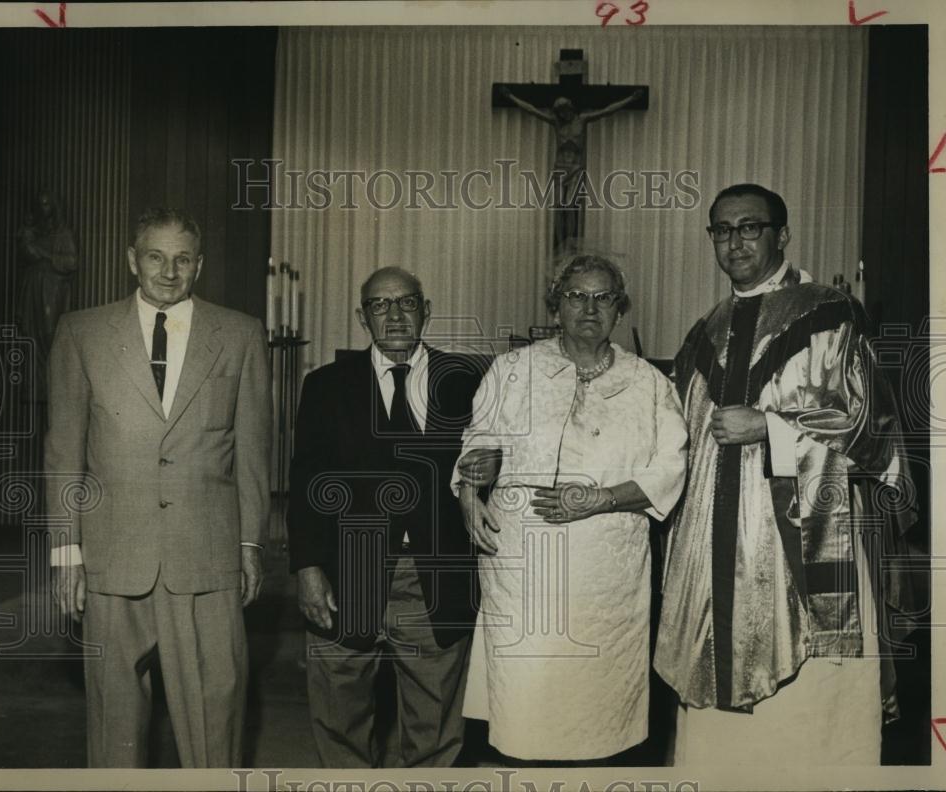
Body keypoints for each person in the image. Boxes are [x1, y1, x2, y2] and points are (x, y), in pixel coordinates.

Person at [653, 184, 920, 764]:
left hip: (804, 537)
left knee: (810, 730)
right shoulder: (706, 331)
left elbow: (871, 430)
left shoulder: (830, 313)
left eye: (749, 227)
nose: (734, 242)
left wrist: (772, 427)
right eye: (721, 230)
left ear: (782, 235)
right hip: (715, 554)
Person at [45, 207, 271, 767]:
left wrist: (249, 545)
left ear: (200, 264)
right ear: (131, 260)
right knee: (112, 718)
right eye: (155, 256)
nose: (168, 271)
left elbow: (254, 453)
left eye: (182, 259)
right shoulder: (82, 333)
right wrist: (66, 551)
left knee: (215, 715)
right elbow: (63, 452)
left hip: (207, 556)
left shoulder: (240, 334)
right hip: (113, 554)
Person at [454, 254, 687, 762]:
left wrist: (600, 499)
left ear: (619, 310)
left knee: (598, 720)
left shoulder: (648, 384)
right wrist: (471, 493)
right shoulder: (514, 369)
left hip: (605, 583)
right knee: (523, 710)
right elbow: (479, 443)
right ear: (555, 306)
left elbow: (670, 470)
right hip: (522, 577)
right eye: (576, 296)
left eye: (603, 297)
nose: (590, 307)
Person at [287, 266, 481, 768]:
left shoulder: (466, 383)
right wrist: (307, 569)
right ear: (362, 317)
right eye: (380, 304)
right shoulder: (326, 386)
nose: (394, 315)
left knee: (436, 728)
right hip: (345, 574)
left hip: (434, 581)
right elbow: (306, 484)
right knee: (340, 717)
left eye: (406, 303)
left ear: (426, 311)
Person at [498, 87, 644, 251]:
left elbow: (607, 111)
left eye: (564, 110)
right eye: (559, 112)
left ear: (570, 108)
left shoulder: (582, 120)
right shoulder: (556, 123)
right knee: (558, 207)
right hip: (559, 168)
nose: (562, 114)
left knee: (570, 206)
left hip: (575, 168)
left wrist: (630, 99)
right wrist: (511, 97)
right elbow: (533, 110)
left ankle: (570, 243)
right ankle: (560, 244)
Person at [15, 190, 79, 402]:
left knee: (49, 335)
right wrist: (27, 239)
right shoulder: (33, 232)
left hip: (52, 290)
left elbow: (71, 262)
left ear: (54, 207)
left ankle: (53, 387)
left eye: (46, 204)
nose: (43, 209)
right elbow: (26, 255)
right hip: (33, 289)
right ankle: (35, 388)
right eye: (40, 204)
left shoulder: (63, 233)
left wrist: (44, 254)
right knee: (31, 335)